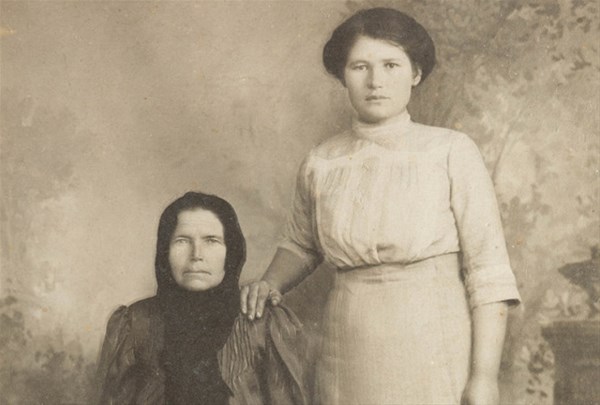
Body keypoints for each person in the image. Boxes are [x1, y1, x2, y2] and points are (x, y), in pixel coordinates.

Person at [240, 7, 521, 405]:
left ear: (415, 73)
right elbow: (302, 243)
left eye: (391, 65)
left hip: (435, 347)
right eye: (360, 67)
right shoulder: (322, 162)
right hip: (346, 351)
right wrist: (269, 283)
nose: (375, 81)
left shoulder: (450, 151)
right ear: (343, 76)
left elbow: (488, 272)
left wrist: (484, 378)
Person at [95, 191, 309, 405]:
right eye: (182, 241)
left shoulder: (262, 322)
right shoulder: (135, 323)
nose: (196, 254)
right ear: (165, 251)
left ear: (230, 252)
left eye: (211, 241)